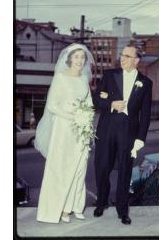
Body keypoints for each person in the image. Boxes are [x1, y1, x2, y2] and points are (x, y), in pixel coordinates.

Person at [34, 43, 94, 223]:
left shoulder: (84, 79)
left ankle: (75, 206)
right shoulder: (60, 77)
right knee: (61, 168)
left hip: (81, 129)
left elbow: (89, 103)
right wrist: (72, 116)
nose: (80, 60)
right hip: (63, 128)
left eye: (82, 57)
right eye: (76, 57)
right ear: (69, 59)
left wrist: (86, 118)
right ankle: (60, 209)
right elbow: (52, 105)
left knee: (79, 167)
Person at [93, 45, 152, 225]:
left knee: (125, 171)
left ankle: (122, 210)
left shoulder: (146, 82)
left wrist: (140, 138)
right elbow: (96, 100)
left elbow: (146, 113)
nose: (122, 58)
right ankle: (102, 202)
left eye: (127, 56)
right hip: (107, 128)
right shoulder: (110, 75)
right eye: (122, 55)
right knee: (102, 167)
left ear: (136, 61)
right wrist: (111, 103)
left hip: (129, 131)